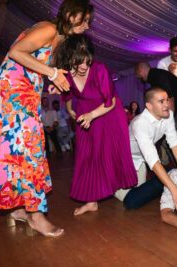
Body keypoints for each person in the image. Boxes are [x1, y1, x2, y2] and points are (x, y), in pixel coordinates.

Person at [0, 0, 94, 237]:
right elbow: (16, 53)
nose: (87, 26)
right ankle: (35, 215)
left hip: (25, 95)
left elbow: (35, 66)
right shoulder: (49, 28)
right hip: (12, 95)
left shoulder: (61, 40)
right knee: (32, 150)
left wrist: (52, 81)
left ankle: (22, 209)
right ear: (71, 14)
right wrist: (52, 72)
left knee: (21, 154)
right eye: (84, 19)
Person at [55, 34, 137, 216]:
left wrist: (92, 115)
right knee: (86, 156)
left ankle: (112, 189)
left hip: (106, 113)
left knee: (106, 154)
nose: (84, 66)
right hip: (85, 115)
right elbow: (68, 96)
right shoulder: (66, 74)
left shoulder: (99, 69)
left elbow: (111, 102)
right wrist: (70, 110)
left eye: (87, 61)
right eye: (79, 62)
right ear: (70, 58)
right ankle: (91, 201)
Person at [115, 87, 177, 214]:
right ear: (149, 106)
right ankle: (110, 179)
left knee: (141, 193)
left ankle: (168, 179)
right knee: (128, 199)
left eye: (167, 100)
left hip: (142, 160)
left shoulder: (168, 114)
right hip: (123, 159)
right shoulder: (140, 123)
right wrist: (174, 190)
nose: (167, 104)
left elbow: (174, 142)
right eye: (161, 101)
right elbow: (153, 160)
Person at [135, 62, 177, 146]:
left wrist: (169, 119)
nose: (140, 79)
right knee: (175, 140)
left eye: (139, 77)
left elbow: (170, 98)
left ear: (141, 71)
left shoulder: (157, 76)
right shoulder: (156, 76)